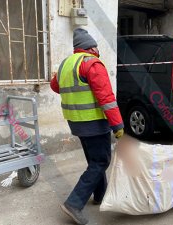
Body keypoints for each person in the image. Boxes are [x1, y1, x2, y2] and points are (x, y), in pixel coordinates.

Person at [50, 28, 124, 225]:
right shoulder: (92, 63)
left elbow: (55, 86)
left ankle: (99, 195)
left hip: (76, 122)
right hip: (94, 123)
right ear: (91, 47)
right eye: (96, 47)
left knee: (94, 160)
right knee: (100, 162)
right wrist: (118, 125)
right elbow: (107, 99)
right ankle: (74, 203)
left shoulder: (66, 64)